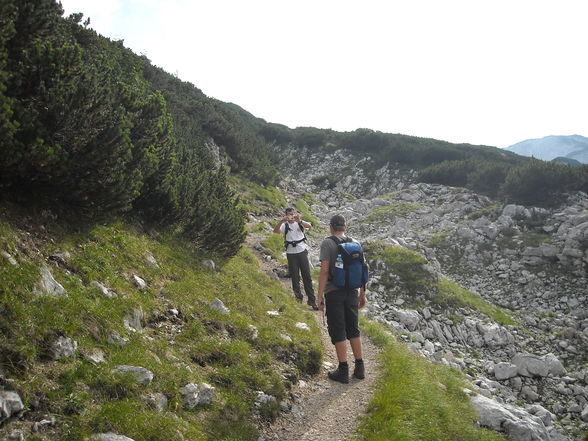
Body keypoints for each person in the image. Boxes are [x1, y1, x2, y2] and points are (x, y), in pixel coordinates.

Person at [317, 214, 367, 384]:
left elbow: (324, 271)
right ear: (345, 227)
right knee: (353, 327)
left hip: (334, 292)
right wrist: (362, 293)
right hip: (352, 291)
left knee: (338, 329)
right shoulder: (355, 243)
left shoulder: (327, 243)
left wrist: (319, 296)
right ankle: (360, 368)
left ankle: (343, 370)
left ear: (331, 226)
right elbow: (363, 269)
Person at [273, 207, 318, 310]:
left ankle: (312, 301)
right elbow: (275, 231)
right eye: (289, 214)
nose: (291, 216)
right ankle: (298, 299)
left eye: (293, 214)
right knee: (295, 277)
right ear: (286, 215)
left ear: (296, 214)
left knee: (307, 276)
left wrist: (300, 220)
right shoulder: (285, 225)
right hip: (290, 253)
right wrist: (281, 221)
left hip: (302, 251)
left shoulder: (299, 223)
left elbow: (309, 226)